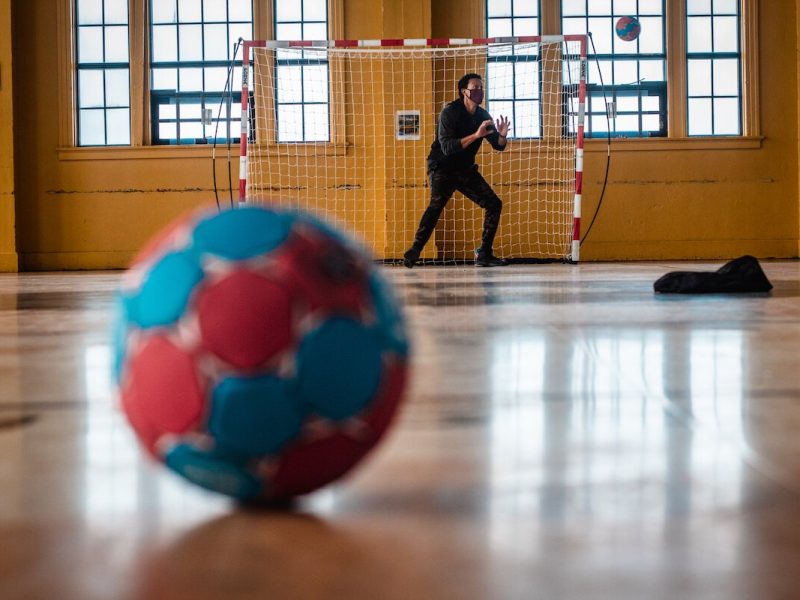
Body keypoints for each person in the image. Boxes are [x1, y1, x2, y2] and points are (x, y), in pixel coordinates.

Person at [403, 73, 511, 268]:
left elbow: (499, 145)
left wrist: (502, 135)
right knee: (436, 206)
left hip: (465, 169)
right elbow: (447, 147)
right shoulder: (450, 112)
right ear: (464, 92)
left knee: (494, 204)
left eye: (481, 87)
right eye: (475, 87)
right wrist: (476, 135)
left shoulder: (483, 115)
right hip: (442, 167)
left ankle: (484, 254)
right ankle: (415, 250)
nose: (479, 91)